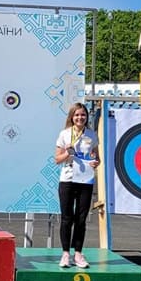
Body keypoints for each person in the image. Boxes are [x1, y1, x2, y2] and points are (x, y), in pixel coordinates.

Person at [54, 103, 100, 268]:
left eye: (83, 115)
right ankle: (66, 253)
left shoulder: (92, 135)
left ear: (87, 117)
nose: (80, 118)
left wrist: (95, 162)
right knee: (67, 218)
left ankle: (78, 253)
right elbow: (57, 159)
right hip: (67, 179)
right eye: (77, 115)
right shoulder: (64, 134)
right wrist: (68, 152)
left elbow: (97, 158)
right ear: (72, 117)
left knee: (81, 218)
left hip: (85, 180)